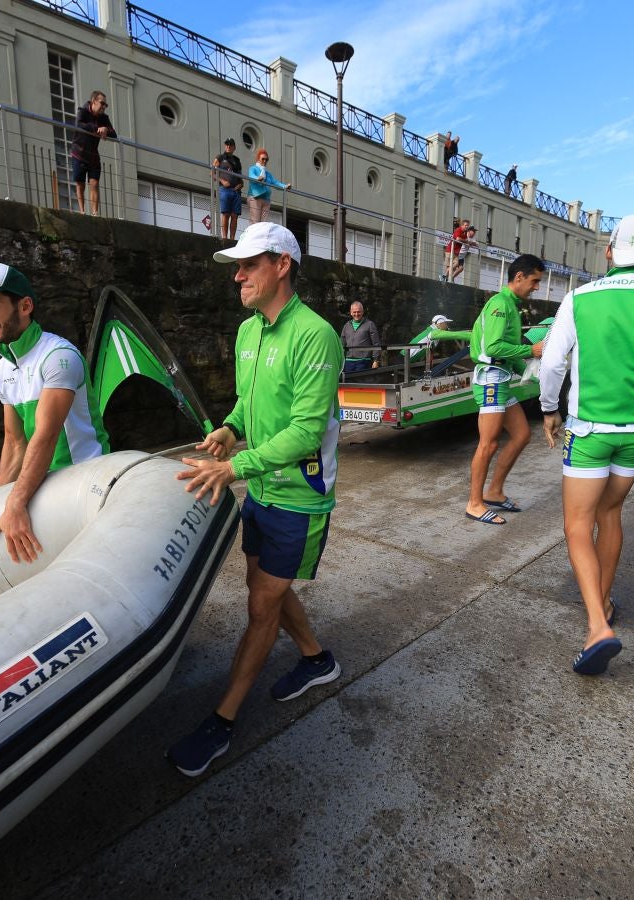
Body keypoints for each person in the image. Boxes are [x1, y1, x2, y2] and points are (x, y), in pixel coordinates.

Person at [167, 222, 343, 777]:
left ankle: (221, 723)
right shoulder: (248, 332)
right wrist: (227, 430)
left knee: (261, 606)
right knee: (262, 588)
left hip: (299, 496)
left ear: (282, 266)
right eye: (236, 267)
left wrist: (233, 466)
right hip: (262, 490)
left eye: (248, 265)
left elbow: (307, 430)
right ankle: (318, 659)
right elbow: (248, 405)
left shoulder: (316, 335)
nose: (237, 276)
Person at [538, 213, 634, 676]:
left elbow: (552, 363)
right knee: (610, 515)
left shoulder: (580, 298)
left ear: (609, 252)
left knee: (576, 525)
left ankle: (596, 626)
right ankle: (604, 603)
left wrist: (550, 409)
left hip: (589, 431)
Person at [0, 262, 109, 563]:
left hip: (85, 482)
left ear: (25, 306)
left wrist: (17, 501)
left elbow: (45, 437)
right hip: (44, 486)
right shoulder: (2, 369)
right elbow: (15, 443)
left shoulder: (59, 356)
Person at [460, 254, 546, 524]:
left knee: (521, 435)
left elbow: (505, 353)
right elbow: (493, 348)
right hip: (491, 381)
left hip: (501, 379)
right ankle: (474, 503)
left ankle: (494, 492)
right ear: (518, 277)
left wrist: (531, 371)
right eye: (534, 281)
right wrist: (530, 350)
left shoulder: (510, 304)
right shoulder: (500, 304)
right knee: (489, 443)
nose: (536, 287)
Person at [69, 90, 116, 216]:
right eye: (102, 103)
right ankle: (82, 211)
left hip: (93, 156)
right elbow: (79, 124)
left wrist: (105, 129)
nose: (104, 107)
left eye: (106, 105)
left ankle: (95, 213)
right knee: (80, 183)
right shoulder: (82, 111)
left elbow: (114, 134)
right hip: (79, 152)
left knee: (94, 183)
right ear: (94, 101)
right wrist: (96, 128)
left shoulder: (104, 118)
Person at [246, 148, 289, 225]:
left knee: (263, 223)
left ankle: (261, 236)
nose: (265, 161)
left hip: (266, 199)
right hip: (255, 197)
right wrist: (257, 178)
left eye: (266, 159)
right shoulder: (253, 168)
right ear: (258, 159)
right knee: (254, 221)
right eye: (263, 159)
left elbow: (275, 182)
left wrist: (284, 186)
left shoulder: (267, 173)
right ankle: (253, 236)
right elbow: (251, 176)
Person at [213, 138, 244, 242]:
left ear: (234, 147)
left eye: (231, 145)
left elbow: (240, 178)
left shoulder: (237, 160)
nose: (228, 146)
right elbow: (212, 173)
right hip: (225, 189)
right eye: (227, 144)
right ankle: (225, 238)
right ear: (225, 146)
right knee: (226, 214)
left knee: (235, 216)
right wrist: (222, 181)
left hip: (236, 191)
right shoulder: (220, 157)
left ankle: (232, 239)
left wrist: (241, 184)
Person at [340, 302, 382, 373]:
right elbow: (341, 343)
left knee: (361, 383)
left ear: (362, 312)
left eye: (359, 312)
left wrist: (376, 360)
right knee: (347, 383)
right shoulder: (346, 326)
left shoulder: (370, 324)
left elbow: (376, 343)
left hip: (363, 361)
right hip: (348, 362)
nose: (356, 314)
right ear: (350, 312)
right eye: (354, 312)